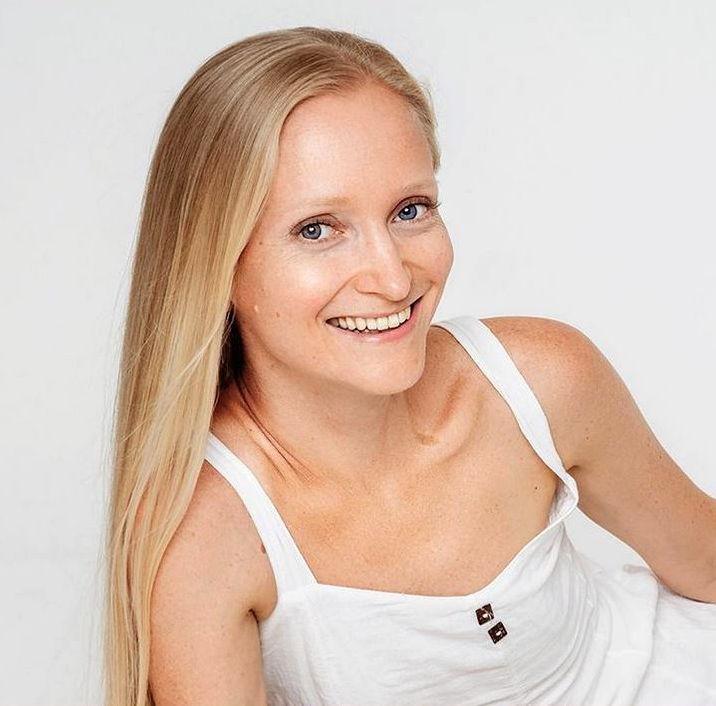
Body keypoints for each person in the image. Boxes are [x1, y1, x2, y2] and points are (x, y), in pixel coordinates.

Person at [103, 26, 716, 706]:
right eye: (317, 229)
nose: (394, 280)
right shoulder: (199, 535)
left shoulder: (543, 381)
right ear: (213, 262)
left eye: (410, 210)